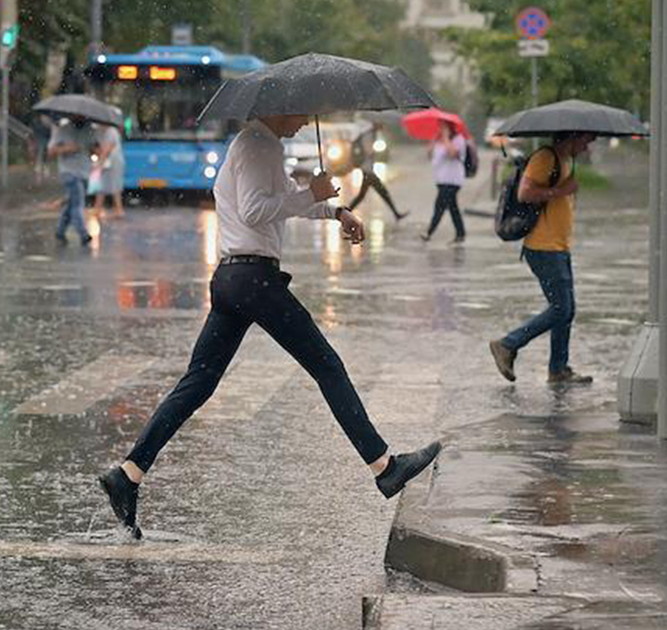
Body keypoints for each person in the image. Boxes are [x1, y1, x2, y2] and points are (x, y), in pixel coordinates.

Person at [97, 114, 443, 539]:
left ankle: (128, 474)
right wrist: (308, 196)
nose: (302, 123)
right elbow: (257, 210)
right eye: (298, 113)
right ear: (278, 108)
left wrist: (333, 209)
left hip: (233, 280)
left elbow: (277, 203)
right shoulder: (260, 146)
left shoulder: (252, 145)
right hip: (254, 280)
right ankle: (385, 467)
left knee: (198, 384)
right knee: (327, 366)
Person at [489, 131, 598, 386]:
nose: (589, 144)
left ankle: (558, 369)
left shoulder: (565, 160)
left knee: (567, 310)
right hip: (543, 247)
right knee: (560, 308)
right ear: (573, 137)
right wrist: (561, 190)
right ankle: (507, 344)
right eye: (586, 139)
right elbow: (524, 193)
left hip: (559, 246)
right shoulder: (545, 158)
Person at [46, 116, 95, 246]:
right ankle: (83, 234)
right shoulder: (62, 130)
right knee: (77, 204)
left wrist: (94, 150)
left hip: (84, 172)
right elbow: (51, 152)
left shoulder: (89, 130)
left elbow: (94, 149)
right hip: (69, 173)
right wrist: (66, 149)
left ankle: (60, 231)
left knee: (71, 203)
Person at [346, 124, 405, 220]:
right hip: (367, 170)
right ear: (376, 124)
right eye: (381, 123)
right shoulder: (369, 135)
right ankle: (396, 214)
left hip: (368, 170)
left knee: (363, 195)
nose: (383, 125)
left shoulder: (372, 134)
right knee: (382, 192)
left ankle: (346, 212)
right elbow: (368, 150)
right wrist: (374, 150)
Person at [421, 121, 466, 244]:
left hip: (452, 180)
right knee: (452, 208)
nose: (440, 129)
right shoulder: (439, 141)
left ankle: (428, 232)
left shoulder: (458, 139)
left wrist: (446, 137)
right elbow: (430, 155)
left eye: (443, 127)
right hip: (441, 180)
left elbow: (453, 154)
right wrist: (433, 141)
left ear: (450, 127)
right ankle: (461, 233)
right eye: (440, 127)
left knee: (439, 206)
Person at [91, 123, 126, 220]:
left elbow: (107, 149)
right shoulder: (99, 132)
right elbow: (99, 148)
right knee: (102, 184)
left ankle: (119, 210)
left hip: (114, 162)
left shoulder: (112, 132)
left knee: (114, 185)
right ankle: (97, 209)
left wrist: (99, 163)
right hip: (106, 162)